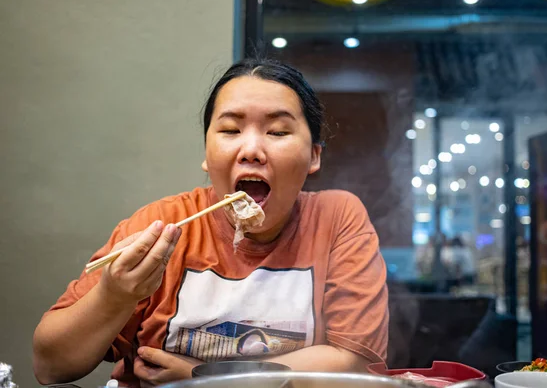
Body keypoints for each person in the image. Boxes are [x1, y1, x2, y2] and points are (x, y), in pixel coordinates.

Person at [32, 58, 389, 387]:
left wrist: (199, 376)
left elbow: (352, 365)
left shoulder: (336, 219)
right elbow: (50, 366)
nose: (250, 150)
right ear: (206, 154)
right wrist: (114, 295)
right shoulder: (163, 225)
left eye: (278, 132)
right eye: (231, 131)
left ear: (313, 155)